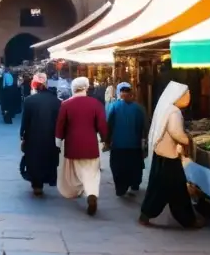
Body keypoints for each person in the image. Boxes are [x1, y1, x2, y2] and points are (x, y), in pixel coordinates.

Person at [140, 82, 203, 228]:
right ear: (178, 96)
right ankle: (189, 221)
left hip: (161, 155)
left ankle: (146, 214)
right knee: (178, 190)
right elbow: (176, 132)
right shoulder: (174, 112)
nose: (189, 98)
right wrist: (189, 140)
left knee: (158, 188)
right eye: (187, 95)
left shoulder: (166, 109)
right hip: (169, 157)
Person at [56, 77, 108, 216]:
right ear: (86, 87)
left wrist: (58, 142)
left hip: (73, 145)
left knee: (78, 171)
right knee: (92, 172)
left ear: (73, 88)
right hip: (91, 144)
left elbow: (60, 125)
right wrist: (105, 139)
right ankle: (91, 193)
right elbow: (102, 125)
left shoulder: (66, 104)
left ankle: (81, 190)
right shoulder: (96, 104)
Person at [21, 73, 61, 196]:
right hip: (51, 137)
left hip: (33, 137)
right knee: (49, 159)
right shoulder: (57, 102)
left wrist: (22, 136)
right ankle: (47, 179)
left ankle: (37, 185)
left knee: (34, 160)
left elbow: (25, 121)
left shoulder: (29, 101)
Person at [107, 82, 147, 197]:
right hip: (134, 145)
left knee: (118, 167)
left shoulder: (114, 106)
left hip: (118, 145)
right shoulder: (139, 108)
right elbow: (145, 126)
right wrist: (145, 141)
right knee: (134, 167)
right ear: (131, 94)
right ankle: (134, 184)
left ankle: (121, 188)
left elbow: (109, 124)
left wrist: (107, 140)